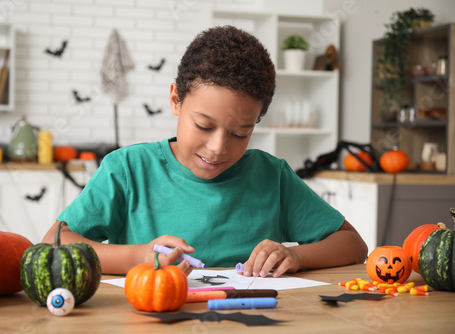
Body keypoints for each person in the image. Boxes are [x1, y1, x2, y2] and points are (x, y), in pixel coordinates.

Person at [42, 25, 367, 278]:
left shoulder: (272, 176)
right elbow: (54, 241)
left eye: (241, 133)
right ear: (175, 100)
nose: (218, 148)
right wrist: (139, 256)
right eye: (204, 126)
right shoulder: (128, 169)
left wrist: (297, 256)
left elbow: (353, 244)